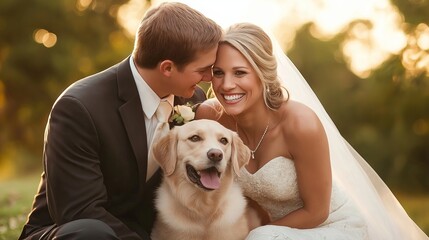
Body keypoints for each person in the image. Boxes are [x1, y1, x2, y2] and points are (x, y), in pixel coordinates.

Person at [196, 22, 428, 239]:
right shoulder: (211, 119)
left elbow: (317, 212)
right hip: (275, 232)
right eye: (218, 73)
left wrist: (256, 234)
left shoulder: (300, 124)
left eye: (240, 73)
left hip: (331, 226)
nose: (226, 85)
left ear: (262, 74)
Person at [18, 2, 222, 240]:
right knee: (92, 233)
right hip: (74, 231)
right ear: (167, 67)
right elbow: (78, 211)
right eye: (203, 70)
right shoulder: (79, 108)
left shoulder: (191, 99)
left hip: (146, 231)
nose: (209, 78)